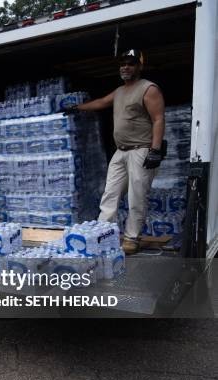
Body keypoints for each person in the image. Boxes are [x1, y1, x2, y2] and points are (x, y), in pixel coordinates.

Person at [65, 49, 165, 254]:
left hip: (141, 150)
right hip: (121, 152)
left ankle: (131, 238)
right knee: (110, 193)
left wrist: (155, 150)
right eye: (123, 64)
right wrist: (78, 108)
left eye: (131, 63)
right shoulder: (120, 91)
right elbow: (102, 102)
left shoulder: (148, 89)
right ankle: (103, 233)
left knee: (136, 196)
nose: (125, 67)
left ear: (139, 66)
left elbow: (158, 119)